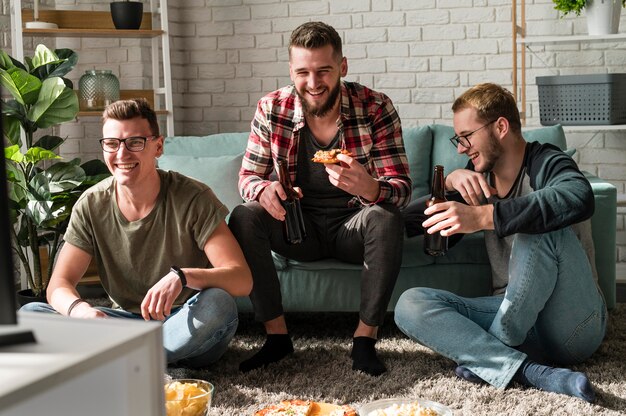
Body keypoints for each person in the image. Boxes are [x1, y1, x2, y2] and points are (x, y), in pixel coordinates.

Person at [395, 83, 607, 402]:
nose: (461, 148)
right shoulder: (476, 179)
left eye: (466, 136)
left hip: (573, 323)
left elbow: (579, 197)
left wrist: (484, 216)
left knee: (539, 226)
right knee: (410, 304)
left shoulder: (545, 161)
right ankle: (529, 371)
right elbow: (407, 222)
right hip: (510, 311)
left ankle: (494, 352)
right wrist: (450, 183)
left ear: (501, 127)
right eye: (458, 139)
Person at [228, 21, 411, 376]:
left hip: (353, 229)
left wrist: (371, 188)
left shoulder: (375, 107)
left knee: (386, 217)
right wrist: (264, 191)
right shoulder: (272, 108)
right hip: (298, 229)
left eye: (324, 71)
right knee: (243, 215)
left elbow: (401, 187)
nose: (313, 84)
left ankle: (364, 340)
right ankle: (277, 338)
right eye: (303, 73)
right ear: (291, 71)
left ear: (342, 67)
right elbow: (248, 177)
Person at [22, 98, 252, 368]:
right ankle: (137, 357)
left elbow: (241, 279)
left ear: (158, 146)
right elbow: (59, 284)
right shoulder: (92, 203)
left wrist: (182, 276)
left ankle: (113, 358)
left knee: (218, 305)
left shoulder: (193, 197)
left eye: (135, 142)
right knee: (31, 314)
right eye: (112, 143)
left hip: (184, 321)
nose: (122, 154)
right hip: (123, 325)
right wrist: (81, 311)